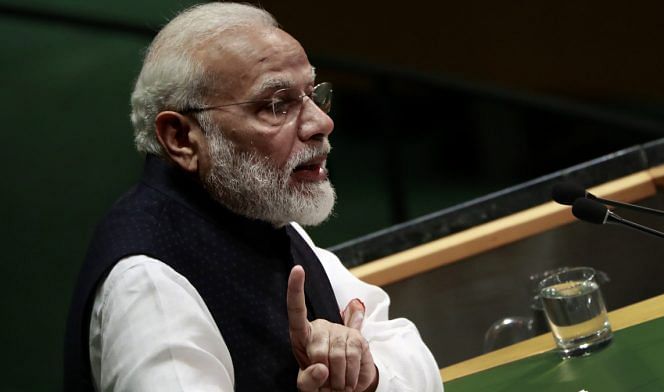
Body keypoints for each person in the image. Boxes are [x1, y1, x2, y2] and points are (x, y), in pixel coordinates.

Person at [64, 3, 443, 391]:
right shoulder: (149, 289)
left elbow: (416, 366)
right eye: (277, 105)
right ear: (180, 138)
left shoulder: (260, 215)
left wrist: (366, 376)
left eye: (313, 94)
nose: (321, 123)